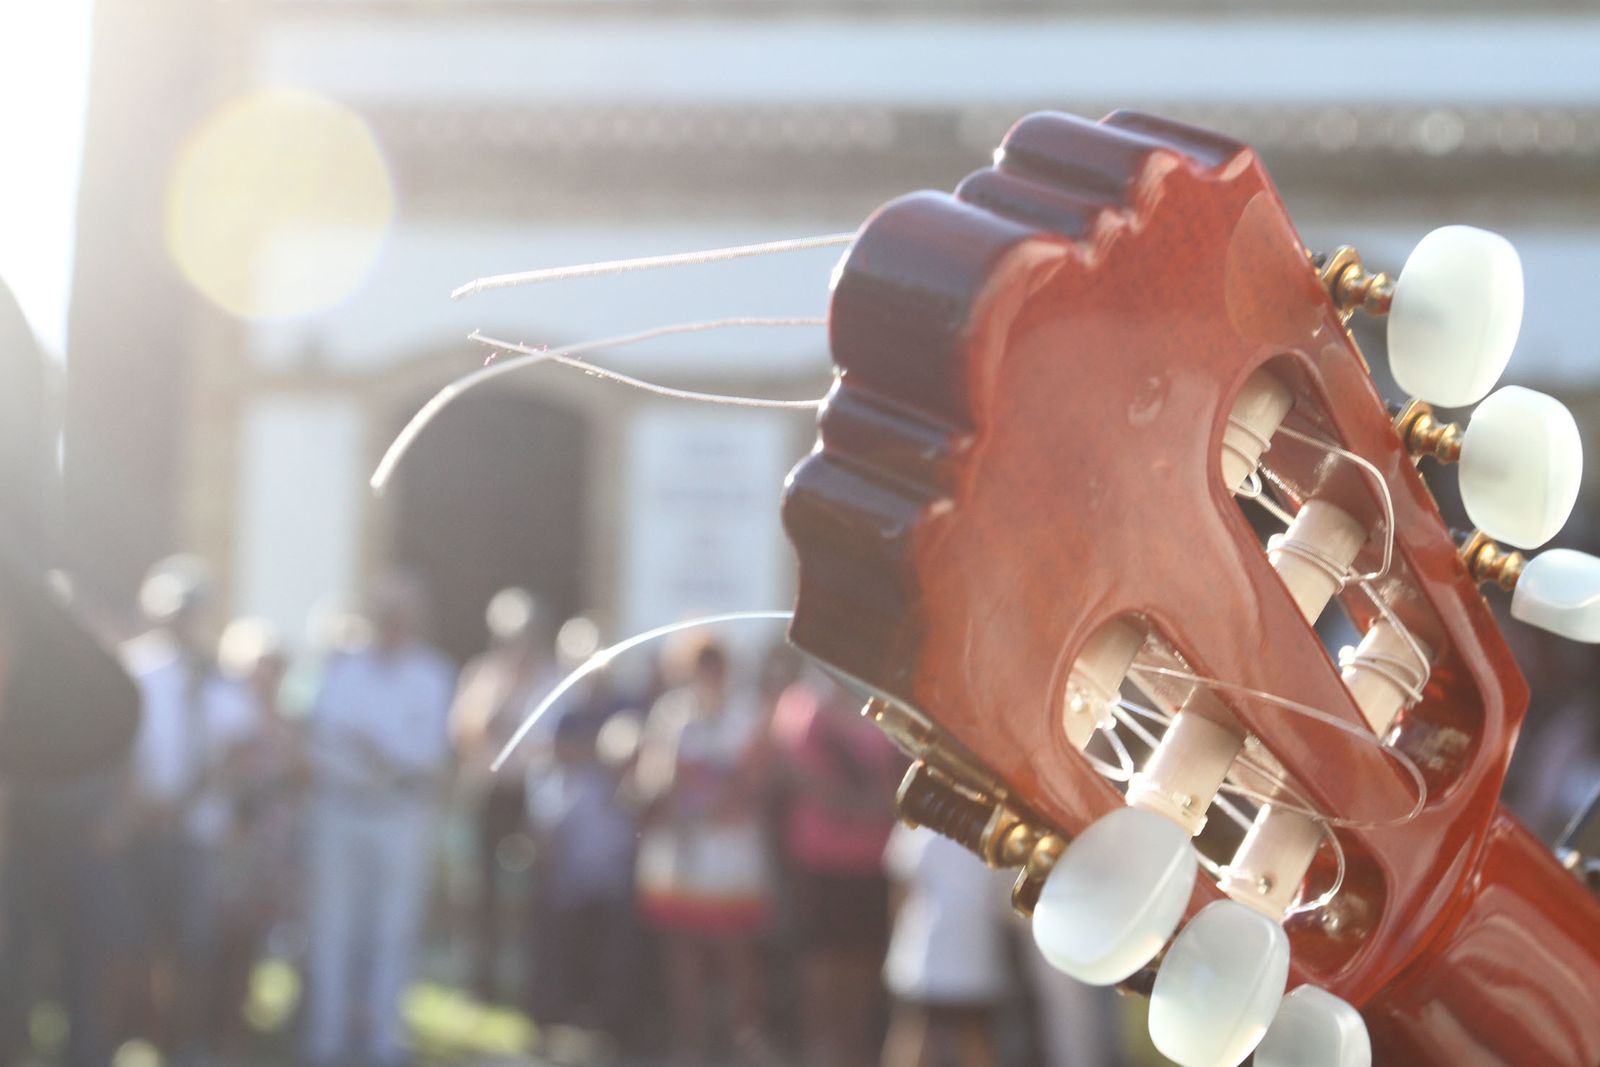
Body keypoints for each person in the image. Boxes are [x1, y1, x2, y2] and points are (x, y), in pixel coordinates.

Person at [302, 575, 456, 1067]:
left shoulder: (431, 674)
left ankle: (384, 1044)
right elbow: (327, 743)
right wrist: (378, 758)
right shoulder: (343, 670)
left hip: (402, 814)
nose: (390, 625)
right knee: (334, 928)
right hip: (343, 809)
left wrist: (377, 754)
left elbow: (426, 756)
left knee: (394, 930)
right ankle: (326, 1041)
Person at [114, 555, 256, 1064]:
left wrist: (192, 798)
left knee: (191, 945)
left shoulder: (218, 675)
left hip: (198, 831)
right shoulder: (134, 666)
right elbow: (119, 748)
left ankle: (184, 1043)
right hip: (140, 827)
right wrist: (143, 804)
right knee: (136, 942)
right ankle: (139, 1038)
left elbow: (236, 751)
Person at [634, 634, 772, 1064]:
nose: (709, 674)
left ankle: (745, 1039)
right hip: (681, 849)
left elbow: (755, 776)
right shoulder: (671, 714)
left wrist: (720, 799)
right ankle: (689, 1043)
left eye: (716, 664)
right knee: (684, 949)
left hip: (729, 850)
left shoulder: (747, 714)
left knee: (735, 948)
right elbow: (652, 775)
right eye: (701, 665)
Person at [769, 674, 903, 1067]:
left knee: (863, 960)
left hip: (872, 859)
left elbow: (894, 773)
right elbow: (798, 773)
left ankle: (855, 1053)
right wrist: (857, 806)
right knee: (823, 963)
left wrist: (881, 807)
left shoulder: (880, 703)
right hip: (820, 858)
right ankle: (822, 1052)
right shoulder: (805, 705)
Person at [449, 586, 556, 1001]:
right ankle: (481, 975)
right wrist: (504, 696)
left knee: (530, 889)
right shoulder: (483, 675)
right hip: (489, 792)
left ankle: (529, 978)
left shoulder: (551, 677)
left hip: (531, 794)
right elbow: (465, 733)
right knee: (479, 888)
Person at [210, 617, 306, 1058]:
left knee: (254, 938)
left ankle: (242, 1024)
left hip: (271, 845)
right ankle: (214, 1024)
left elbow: (302, 777)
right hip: (231, 841)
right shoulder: (225, 716)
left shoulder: (290, 724)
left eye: (274, 665)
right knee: (221, 937)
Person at [525, 709, 639, 1047]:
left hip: (609, 890)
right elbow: (542, 841)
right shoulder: (547, 781)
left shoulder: (604, 781)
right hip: (566, 891)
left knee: (612, 951)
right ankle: (551, 1018)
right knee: (555, 941)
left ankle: (610, 1024)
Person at [880, 823, 1013, 1067]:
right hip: (951, 954)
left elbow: (901, 888)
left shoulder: (918, 826)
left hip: (935, 955)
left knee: (927, 1033)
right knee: (931, 1034)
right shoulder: (993, 827)